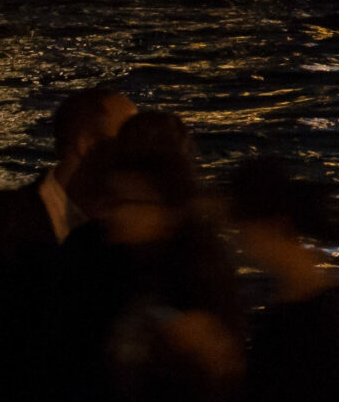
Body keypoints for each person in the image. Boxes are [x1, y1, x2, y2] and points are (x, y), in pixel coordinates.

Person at [49, 112, 248, 402]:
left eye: (130, 201)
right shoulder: (90, 251)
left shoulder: (199, 261)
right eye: (115, 200)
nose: (116, 213)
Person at [0, 85, 137, 402]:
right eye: (128, 140)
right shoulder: (8, 230)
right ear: (87, 145)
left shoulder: (121, 223)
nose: (137, 155)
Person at [223, 158, 339, 402]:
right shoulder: (317, 291)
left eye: (243, 230)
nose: (240, 242)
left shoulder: (296, 316)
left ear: (273, 225)